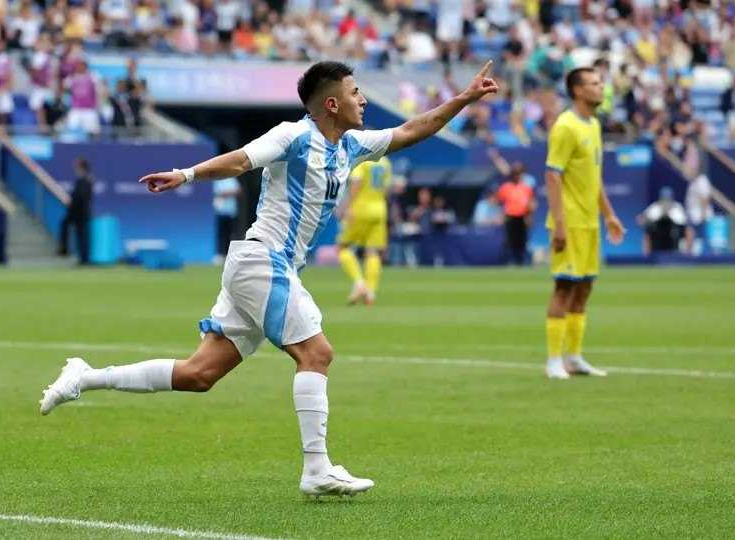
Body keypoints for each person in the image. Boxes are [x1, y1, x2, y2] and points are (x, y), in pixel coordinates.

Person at [39, 60, 499, 496]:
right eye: (356, 92)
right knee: (317, 353)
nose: (364, 100)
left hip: (266, 266)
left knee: (200, 374)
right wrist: (186, 173)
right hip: (264, 261)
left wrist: (463, 98)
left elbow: (412, 129)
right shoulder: (293, 136)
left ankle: (86, 376)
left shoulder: (352, 146)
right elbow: (242, 161)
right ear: (331, 104)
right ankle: (317, 470)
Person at [544, 67, 626, 380]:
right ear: (577, 90)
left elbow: (594, 177)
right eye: (594, 83)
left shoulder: (593, 124)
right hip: (570, 220)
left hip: (590, 222)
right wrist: (560, 224)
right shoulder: (565, 126)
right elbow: (552, 175)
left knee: (585, 289)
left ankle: (574, 357)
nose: (601, 87)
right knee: (564, 287)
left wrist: (609, 215)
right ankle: (553, 360)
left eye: (601, 82)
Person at [336, 155, 393, 306]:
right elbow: (386, 189)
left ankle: (359, 283)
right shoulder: (385, 162)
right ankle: (371, 292)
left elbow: (356, 184)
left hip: (360, 209)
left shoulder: (363, 161)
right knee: (372, 252)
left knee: (343, 247)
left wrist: (346, 207)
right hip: (380, 210)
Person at [496, 163, 536, 265]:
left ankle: (520, 262)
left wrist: (529, 217)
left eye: (518, 174)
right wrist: (501, 216)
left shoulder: (526, 188)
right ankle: (509, 261)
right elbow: (500, 202)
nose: (516, 176)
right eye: (514, 173)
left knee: (522, 240)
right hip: (510, 217)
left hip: (522, 217)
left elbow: (530, 203)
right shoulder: (505, 187)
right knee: (510, 240)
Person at [57, 157, 93, 265]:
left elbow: (82, 197)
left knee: (83, 236)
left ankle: (84, 259)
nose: (76, 169)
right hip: (76, 212)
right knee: (75, 232)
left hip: (81, 213)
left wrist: (71, 203)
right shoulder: (83, 180)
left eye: (77, 166)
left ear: (82, 167)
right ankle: (68, 251)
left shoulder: (86, 180)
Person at [636, 186, 686, 255]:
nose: (666, 202)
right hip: (657, 238)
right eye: (664, 199)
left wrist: (668, 214)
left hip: (673, 238)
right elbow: (642, 219)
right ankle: (647, 257)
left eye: (668, 199)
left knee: (684, 232)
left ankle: (683, 257)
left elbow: (683, 222)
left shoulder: (677, 207)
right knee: (648, 232)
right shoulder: (655, 207)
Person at [212, 176, 241, 265]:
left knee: (230, 234)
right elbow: (219, 192)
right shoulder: (218, 180)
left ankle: (229, 255)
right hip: (221, 211)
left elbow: (238, 190)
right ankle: (220, 255)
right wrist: (230, 192)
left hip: (231, 211)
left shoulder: (232, 179)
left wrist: (228, 192)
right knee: (221, 234)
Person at [684, 171, 713, 255]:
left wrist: (703, 214)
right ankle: (689, 254)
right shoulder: (693, 182)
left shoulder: (702, 180)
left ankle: (708, 255)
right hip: (693, 215)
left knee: (705, 237)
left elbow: (705, 197)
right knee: (691, 233)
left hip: (700, 215)